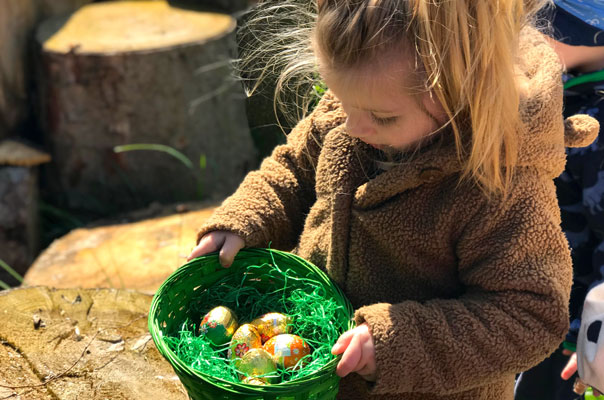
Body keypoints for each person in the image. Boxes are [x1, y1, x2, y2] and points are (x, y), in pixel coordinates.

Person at [189, 1, 598, 399]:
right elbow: (294, 168)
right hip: (315, 370)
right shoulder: (365, 102)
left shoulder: (499, 187)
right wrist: (245, 217)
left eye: (382, 118)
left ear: (463, 90)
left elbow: (528, 317)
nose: (350, 125)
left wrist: (393, 343)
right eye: (336, 96)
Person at [514, 2, 604, 399]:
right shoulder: (572, 92)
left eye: (539, 24)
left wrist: (590, 332)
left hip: (571, 329)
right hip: (541, 311)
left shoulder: (597, 115)